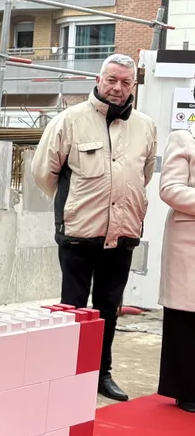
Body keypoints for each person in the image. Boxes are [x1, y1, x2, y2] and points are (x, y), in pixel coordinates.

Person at [30, 53, 157, 402]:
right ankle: (63, 373)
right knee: (72, 306)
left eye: (125, 82)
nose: (118, 88)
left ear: (134, 86)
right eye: (112, 80)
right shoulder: (69, 121)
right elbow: (44, 172)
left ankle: (101, 373)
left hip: (124, 231)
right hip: (79, 231)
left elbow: (142, 174)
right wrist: (77, 202)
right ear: (99, 80)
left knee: (108, 306)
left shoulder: (145, 125)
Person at [156, 113, 195, 413]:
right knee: (186, 319)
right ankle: (186, 390)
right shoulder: (183, 138)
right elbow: (169, 189)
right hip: (188, 243)